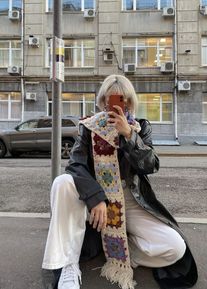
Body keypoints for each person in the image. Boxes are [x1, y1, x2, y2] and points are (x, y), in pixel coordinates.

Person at [42, 74, 198, 289]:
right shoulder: (89, 126)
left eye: (120, 99)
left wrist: (128, 136)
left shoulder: (140, 127)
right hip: (95, 200)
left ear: (130, 102)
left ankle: (123, 251)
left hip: (130, 199)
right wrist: (96, 197)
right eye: (107, 98)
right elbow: (75, 165)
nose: (111, 103)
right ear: (102, 100)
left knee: (175, 248)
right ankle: (67, 264)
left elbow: (150, 165)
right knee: (62, 182)